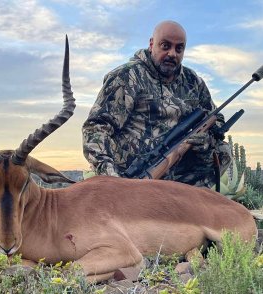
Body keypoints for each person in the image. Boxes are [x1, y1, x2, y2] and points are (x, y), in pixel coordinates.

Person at [82, 20, 232, 188]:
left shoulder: (193, 81)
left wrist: (206, 139)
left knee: (222, 151)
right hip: (133, 174)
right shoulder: (127, 76)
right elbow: (95, 128)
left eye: (179, 48)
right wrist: (112, 179)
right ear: (152, 44)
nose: (172, 53)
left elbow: (215, 118)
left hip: (180, 167)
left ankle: (186, 206)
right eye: (165, 46)